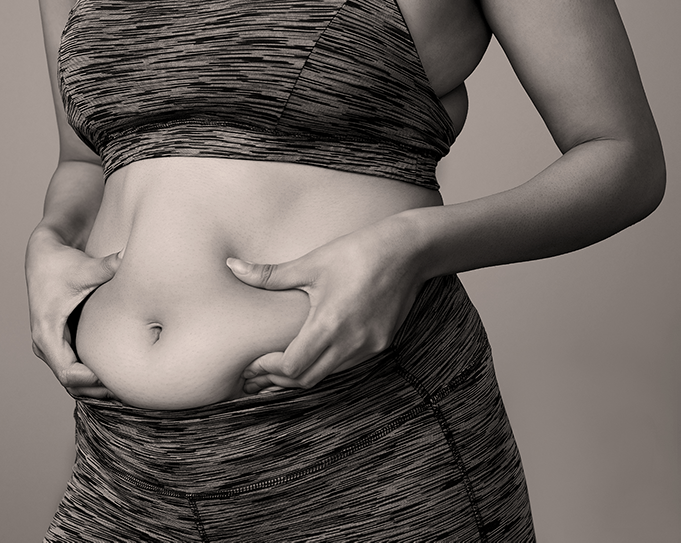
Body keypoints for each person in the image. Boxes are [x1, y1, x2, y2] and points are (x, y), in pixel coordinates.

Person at [27, 0, 664, 540]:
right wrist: (51, 239)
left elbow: (622, 159)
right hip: (122, 460)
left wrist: (413, 246)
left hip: (368, 446)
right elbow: (85, 161)